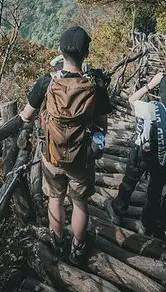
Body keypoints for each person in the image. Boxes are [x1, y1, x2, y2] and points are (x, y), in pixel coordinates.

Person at [19, 26, 111, 265]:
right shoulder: (95, 85)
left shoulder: (46, 83)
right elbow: (102, 125)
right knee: (80, 203)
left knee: (55, 198)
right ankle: (77, 250)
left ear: (60, 50)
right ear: (86, 53)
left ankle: (58, 243)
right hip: (82, 157)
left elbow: (26, 115)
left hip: (52, 155)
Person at [107, 72, 166, 235]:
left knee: (129, 182)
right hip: (165, 159)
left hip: (141, 153)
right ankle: (146, 224)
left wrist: (150, 85)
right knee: (155, 192)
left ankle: (118, 211)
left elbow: (132, 99)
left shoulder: (150, 109)